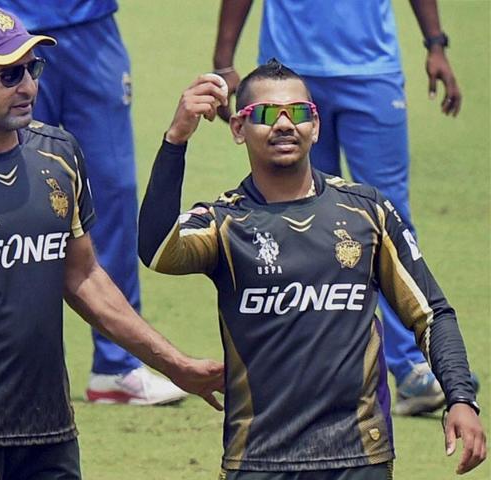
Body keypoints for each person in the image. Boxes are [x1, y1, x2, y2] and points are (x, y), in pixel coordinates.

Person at [0, 6, 224, 479]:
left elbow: (85, 277)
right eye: (9, 74)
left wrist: (175, 364)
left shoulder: (59, 154)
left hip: (49, 430)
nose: (29, 86)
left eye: (33, 68)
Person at [138, 61, 486, 478]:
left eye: (299, 113)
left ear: (315, 126)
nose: (285, 124)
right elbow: (157, 250)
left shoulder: (367, 211)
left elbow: (429, 314)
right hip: (258, 458)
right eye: (266, 114)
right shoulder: (224, 222)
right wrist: (176, 139)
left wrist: (460, 397)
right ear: (237, 129)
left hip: (358, 456)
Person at [212, 0, 466, 416]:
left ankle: (408, 365)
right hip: (290, 77)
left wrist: (435, 44)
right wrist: (224, 62)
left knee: (387, 220)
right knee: (299, 222)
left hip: (372, 69)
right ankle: (309, 366)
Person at [0, 0, 186, 406]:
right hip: (6, 35)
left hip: (92, 28)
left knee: (114, 192)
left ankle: (116, 367)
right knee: (7, 191)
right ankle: (1, 364)